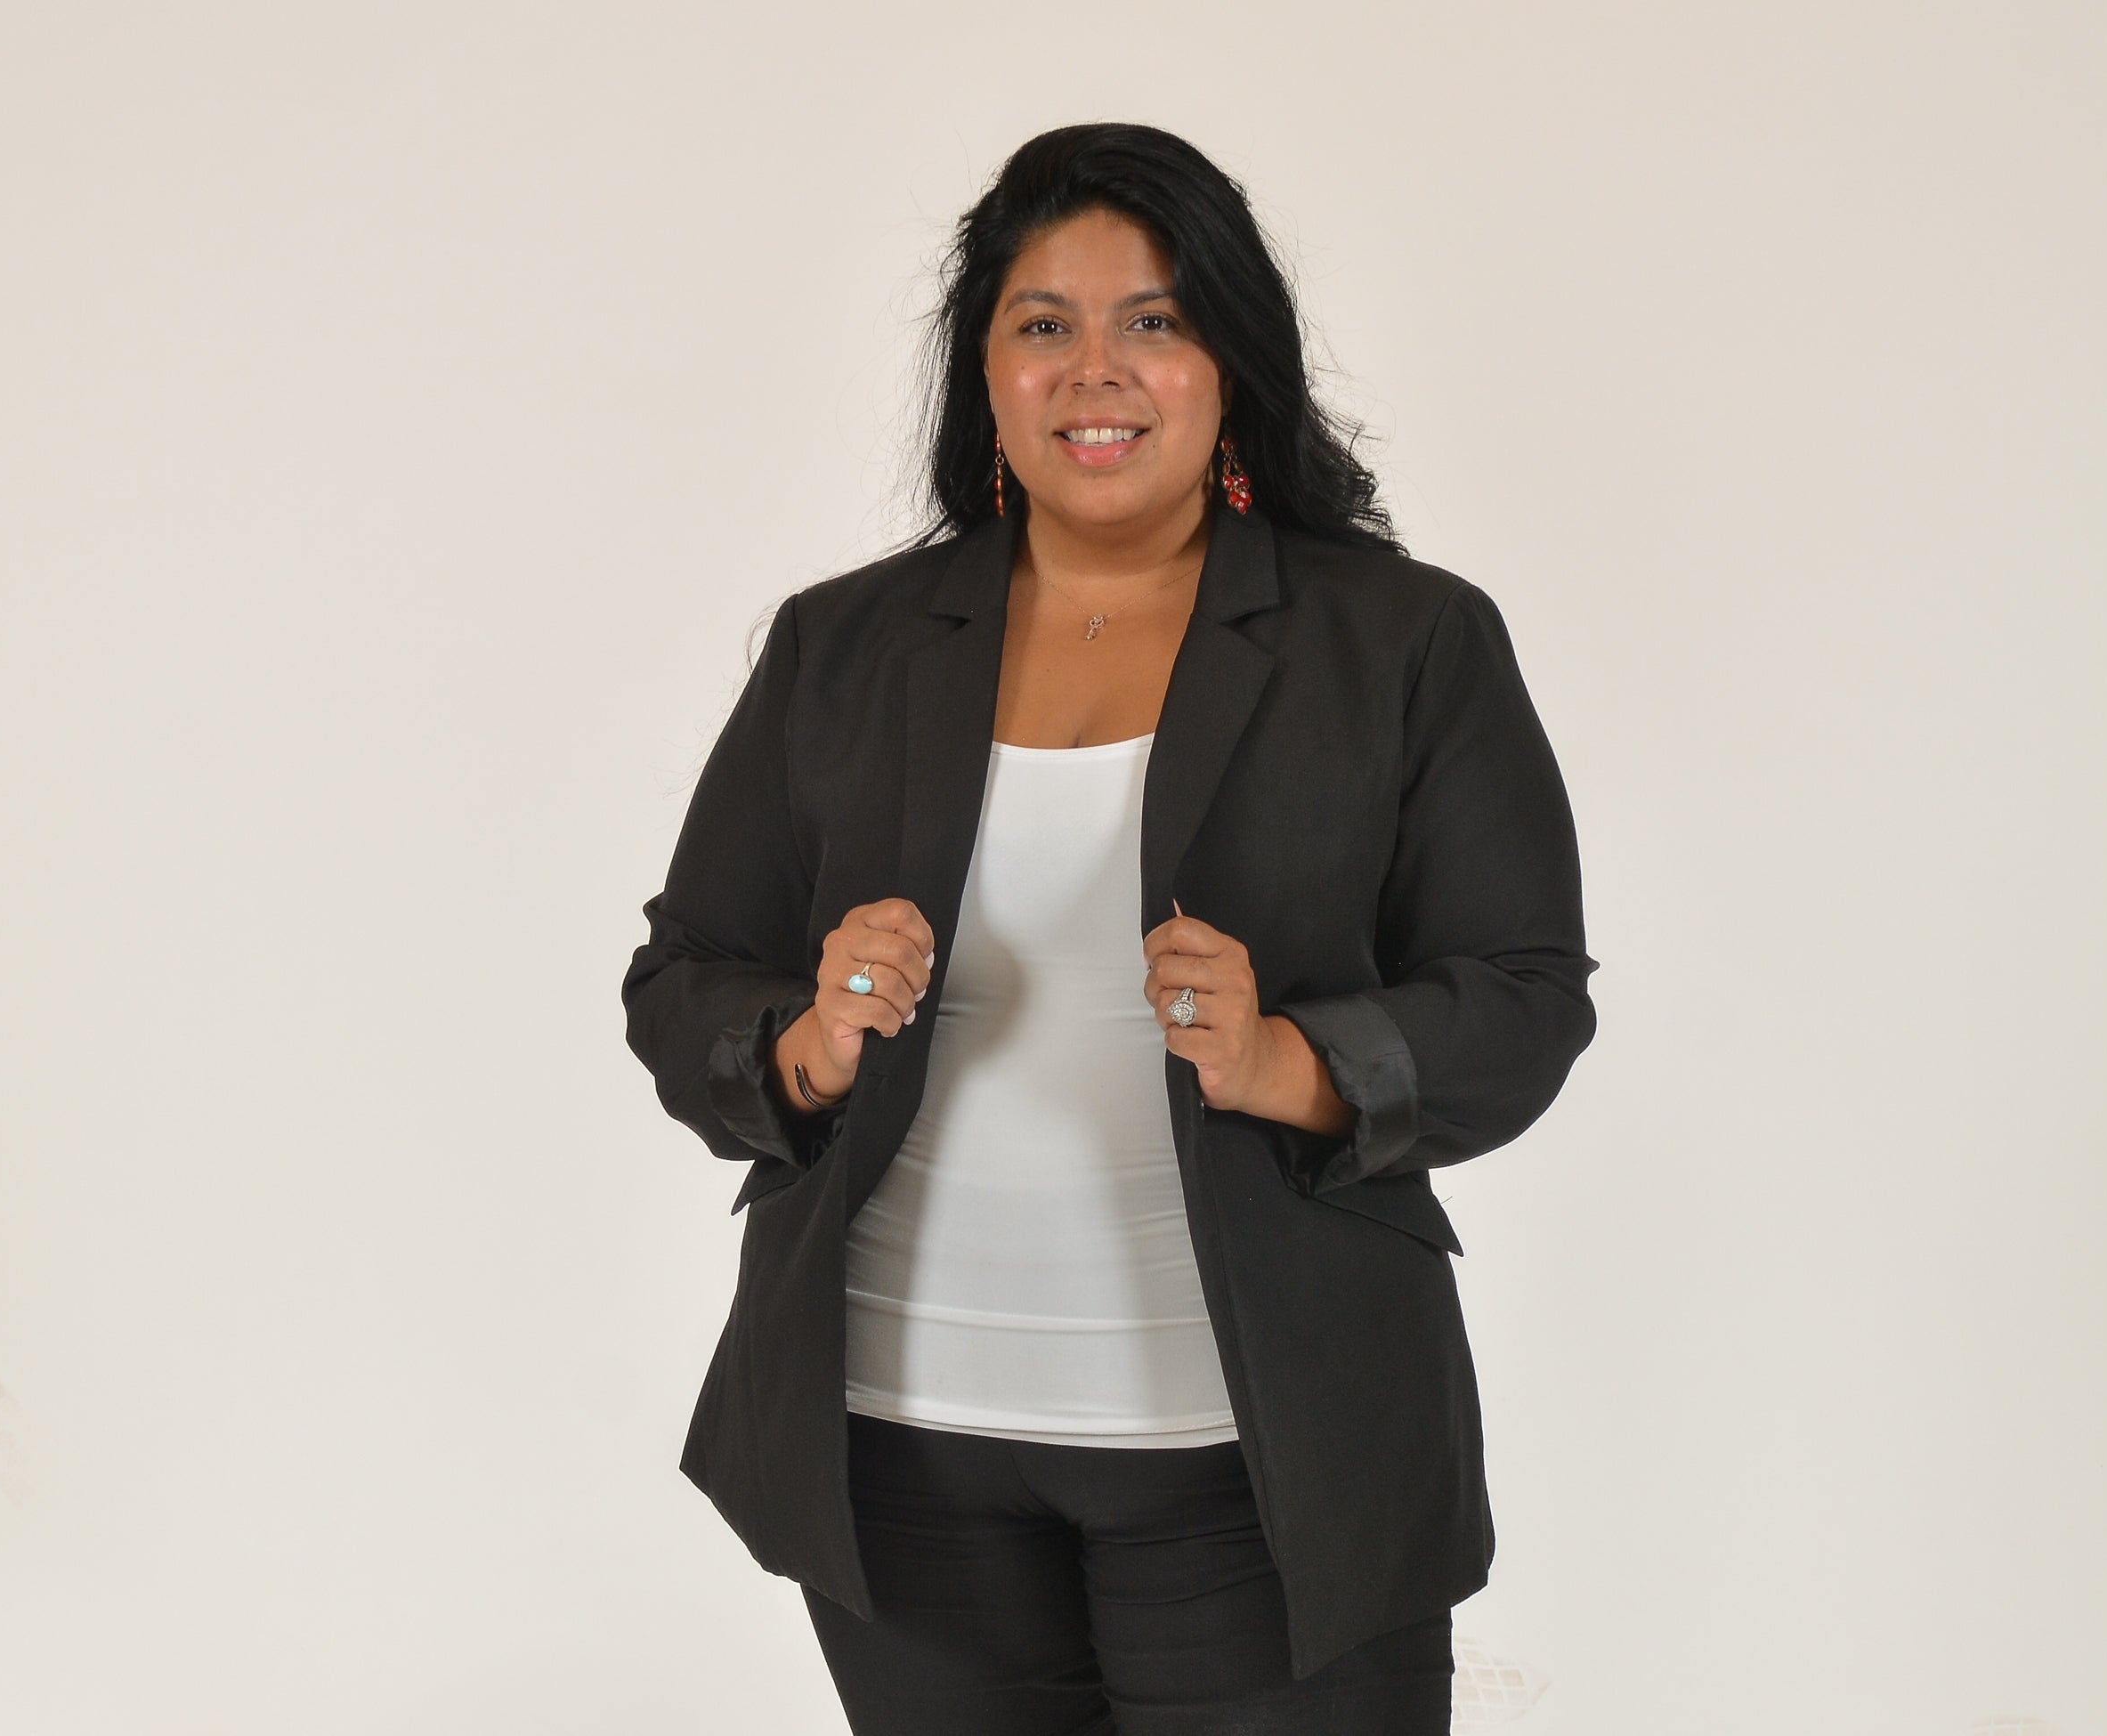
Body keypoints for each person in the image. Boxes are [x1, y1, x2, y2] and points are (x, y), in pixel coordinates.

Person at [622, 122, 1597, 1735]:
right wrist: (803, 1039)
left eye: (1153, 320)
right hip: (901, 1450)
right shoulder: (845, 646)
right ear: (985, 378)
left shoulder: (1405, 640)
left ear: (1230, 360)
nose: (1099, 370)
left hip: (1263, 1457)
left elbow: (1523, 994)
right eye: (1043, 324)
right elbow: (682, 975)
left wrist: (1293, 1058)